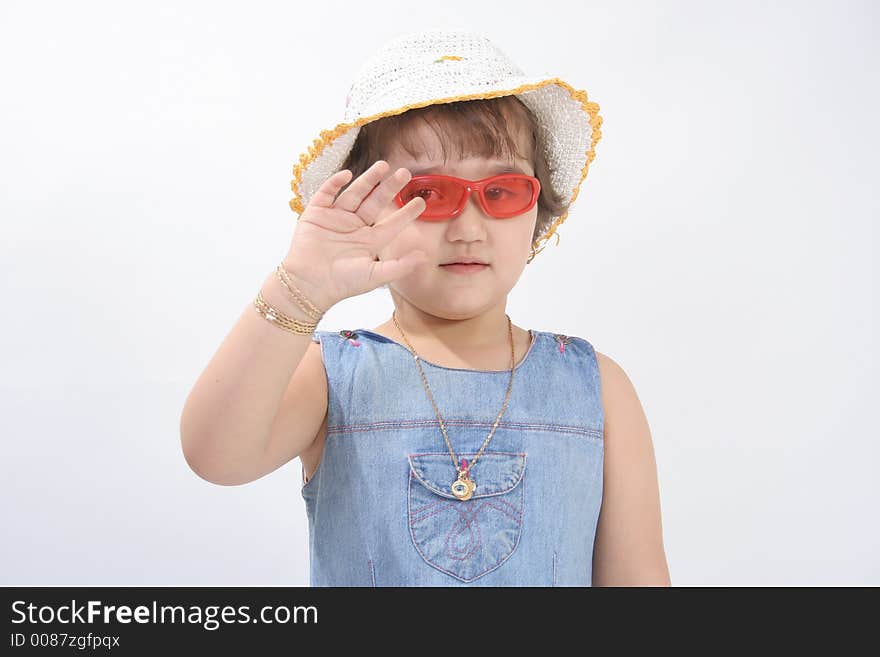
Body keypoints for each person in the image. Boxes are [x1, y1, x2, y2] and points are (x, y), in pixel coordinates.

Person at [180, 28, 670, 586]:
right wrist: (299, 287)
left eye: (502, 191)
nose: (467, 228)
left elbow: (638, 579)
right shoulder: (333, 377)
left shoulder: (597, 387)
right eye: (428, 195)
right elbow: (214, 455)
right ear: (365, 211)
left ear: (537, 210)